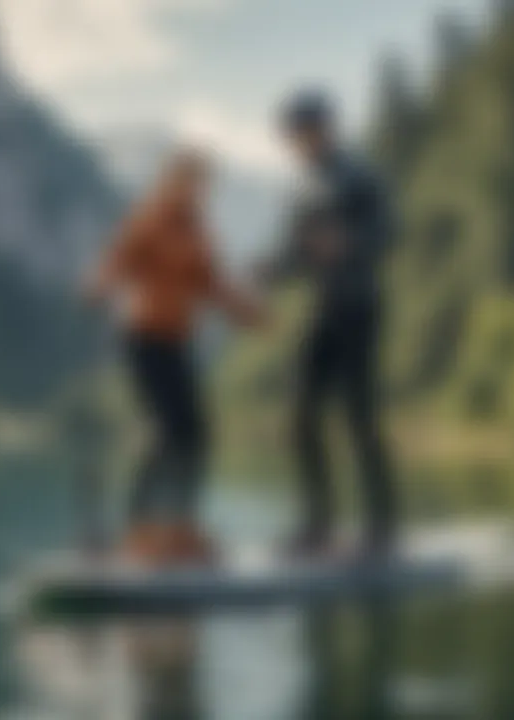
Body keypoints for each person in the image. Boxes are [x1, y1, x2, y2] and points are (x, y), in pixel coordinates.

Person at [86, 148, 263, 566]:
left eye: (202, 184)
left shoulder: (200, 233)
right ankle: (141, 532)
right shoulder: (149, 221)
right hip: (143, 337)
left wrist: (248, 314)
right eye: (188, 180)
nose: (196, 190)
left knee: (196, 435)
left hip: (177, 342)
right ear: (170, 181)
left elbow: (213, 285)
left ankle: (181, 528)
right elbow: (118, 261)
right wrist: (98, 285)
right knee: (168, 430)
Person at [260, 89, 398, 559]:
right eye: (291, 134)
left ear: (324, 127)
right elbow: (299, 254)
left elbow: (389, 231)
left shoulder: (358, 175)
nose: (296, 141)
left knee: (359, 417)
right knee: (301, 416)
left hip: (359, 305)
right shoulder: (303, 185)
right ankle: (318, 526)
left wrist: (349, 243)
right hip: (323, 309)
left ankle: (382, 531)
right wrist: (273, 270)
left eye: (302, 130)